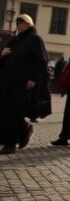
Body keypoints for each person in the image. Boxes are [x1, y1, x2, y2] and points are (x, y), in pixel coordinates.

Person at [0, 15, 48, 154]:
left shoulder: (34, 39)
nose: (19, 25)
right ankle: (24, 128)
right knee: (6, 110)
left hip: (21, 83)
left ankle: (10, 144)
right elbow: (4, 61)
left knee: (13, 111)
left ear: (29, 24)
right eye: (17, 23)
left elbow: (42, 61)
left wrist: (33, 79)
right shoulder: (15, 40)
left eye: (22, 23)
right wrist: (2, 54)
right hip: (7, 82)